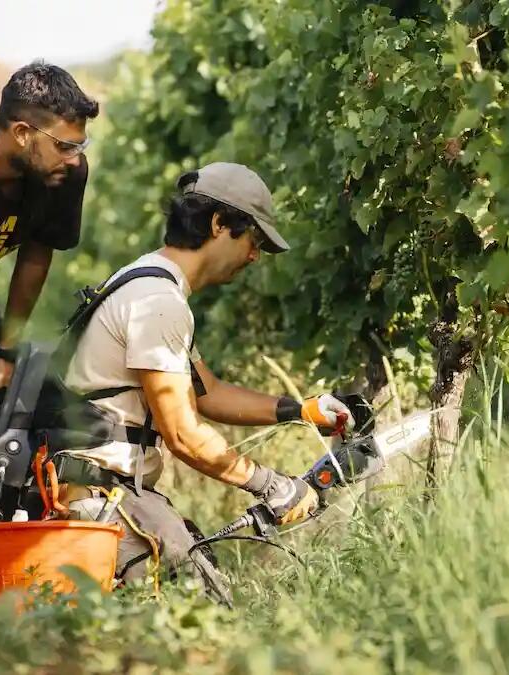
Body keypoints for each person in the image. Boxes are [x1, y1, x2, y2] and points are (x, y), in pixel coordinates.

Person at [55, 163, 360, 598]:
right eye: (252, 240)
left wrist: (302, 410)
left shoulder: (148, 281)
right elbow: (182, 434)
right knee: (194, 612)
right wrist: (272, 486)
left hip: (111, 492)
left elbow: (208, 394)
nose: (254, 256)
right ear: (219, 224)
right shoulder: (158, 303)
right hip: (98, 499)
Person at [0, 61, 99, 525]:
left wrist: (6, 348)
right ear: (20, 132)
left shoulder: (64, 174)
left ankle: (17, 523)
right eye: (65, 144)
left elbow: (36, 255)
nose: (75, 157)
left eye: (81, 144)